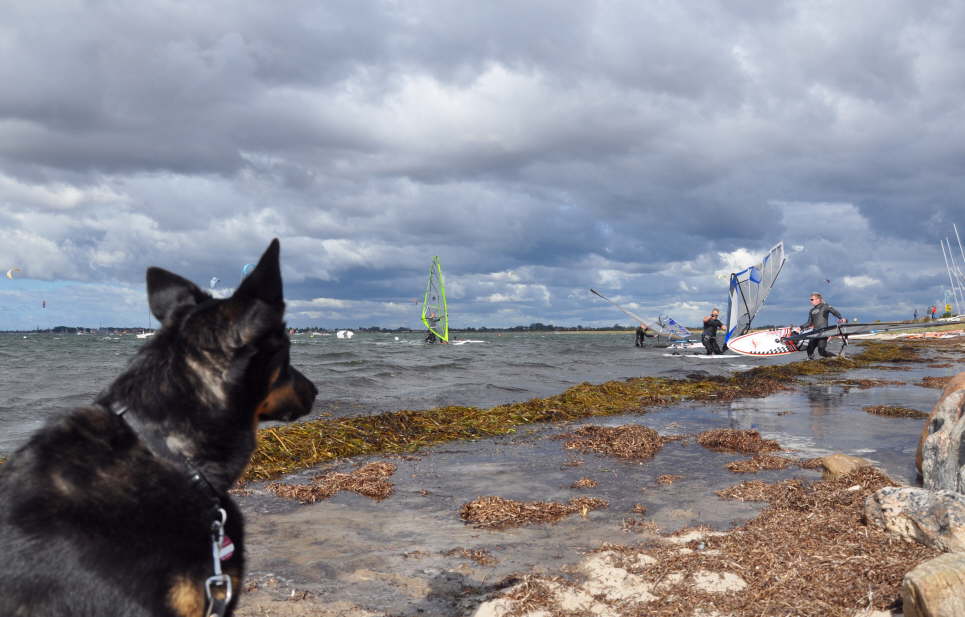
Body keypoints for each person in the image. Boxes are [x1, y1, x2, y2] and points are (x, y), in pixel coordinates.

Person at [800, 292, 846, 359]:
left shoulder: (825, 306)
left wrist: (841, 318)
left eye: (812, 299)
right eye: (810, 300)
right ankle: (811, 362)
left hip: (823, 332)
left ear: (818, 299)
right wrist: (800, 327)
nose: (810, 301)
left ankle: (836, 357)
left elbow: (834, 311)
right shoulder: (811, 310)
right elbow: (809, 323)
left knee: (821, 351)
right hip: (815, 333)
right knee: (809, 349)